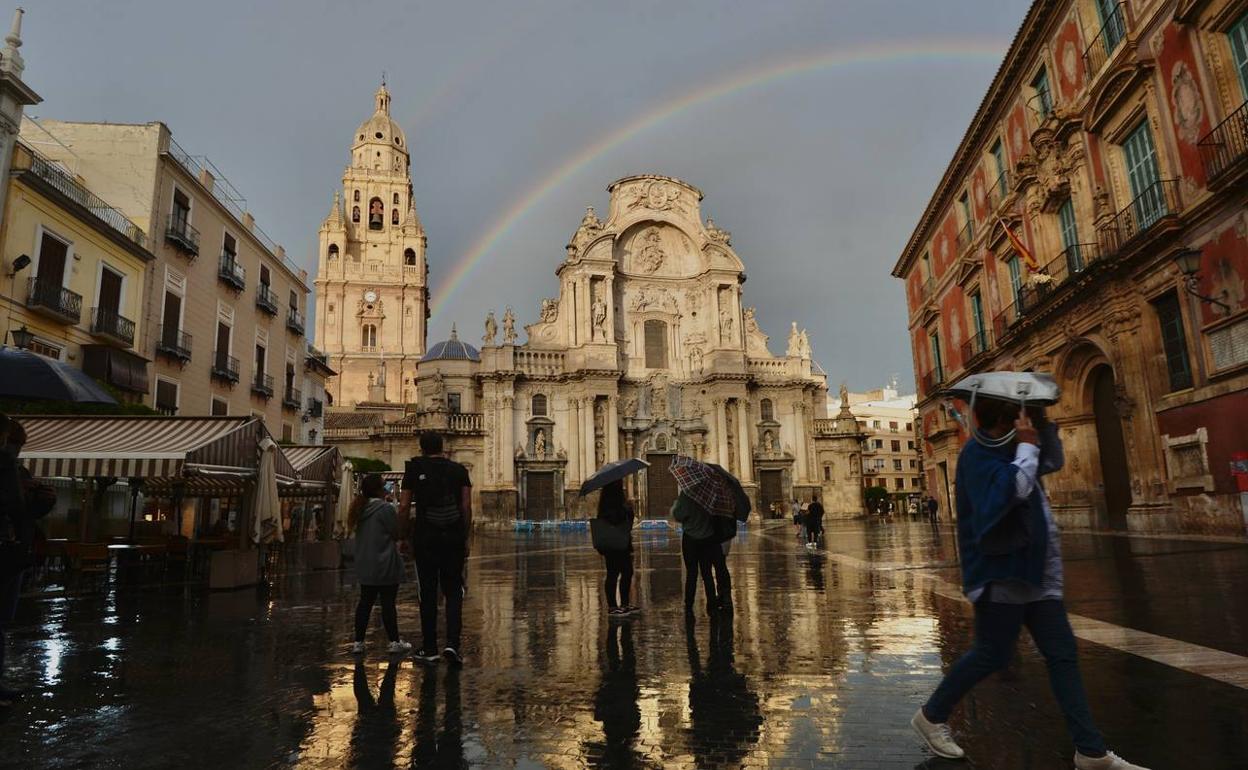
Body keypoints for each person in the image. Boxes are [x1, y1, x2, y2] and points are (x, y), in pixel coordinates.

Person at [910, 395, 1149, 770]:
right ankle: (931, 715)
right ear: (1002, 421)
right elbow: (1010, 492)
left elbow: (1052, 461)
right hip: (1002, 574)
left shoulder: (1011, 446)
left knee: (1063, 656)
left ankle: (1090, 752)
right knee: (992, 654)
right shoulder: (977, 455)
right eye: (1016, 418)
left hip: (1038, 574)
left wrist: (1041, 425)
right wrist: (1024, 446)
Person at [402, 432, 472, 666]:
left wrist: (402, 536)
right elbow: (466, 506)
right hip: (453, 538)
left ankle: (430, 647)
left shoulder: (413, 468)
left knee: (428, 592)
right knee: (454, 592)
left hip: (426, 537)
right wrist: (465, 538)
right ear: (443, 447)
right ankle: (452, 644)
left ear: (421, 448)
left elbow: (403, 506)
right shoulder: (460, 470)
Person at [349, 473, 411, 656]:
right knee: (388, 604)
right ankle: (393, 641)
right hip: (384, 562)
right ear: (378, 490)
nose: (386, 490)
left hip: (365, 562)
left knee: (365, 603)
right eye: (384, 486)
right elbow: (396, 532)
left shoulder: (358, 509)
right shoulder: (385, 509)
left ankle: (358, 642)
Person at [595, 480, 638, 617]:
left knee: (627, 571)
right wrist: (626, 510)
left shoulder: (613, 504)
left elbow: (628, 524)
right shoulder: (608, 505)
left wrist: (629, 511)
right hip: (615, 543)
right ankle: (612, 606)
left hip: (621, 543)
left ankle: (624, 604)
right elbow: (615, 520)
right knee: (613, 573)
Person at [671, 492, 717, 616]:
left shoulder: (687, 494)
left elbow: (678, 515)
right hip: (707, 537)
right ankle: (712, 604)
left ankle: (689, 604)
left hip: (690, 538)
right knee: (707, 572)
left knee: (691, 573)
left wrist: (677, 505)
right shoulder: (710, 494)